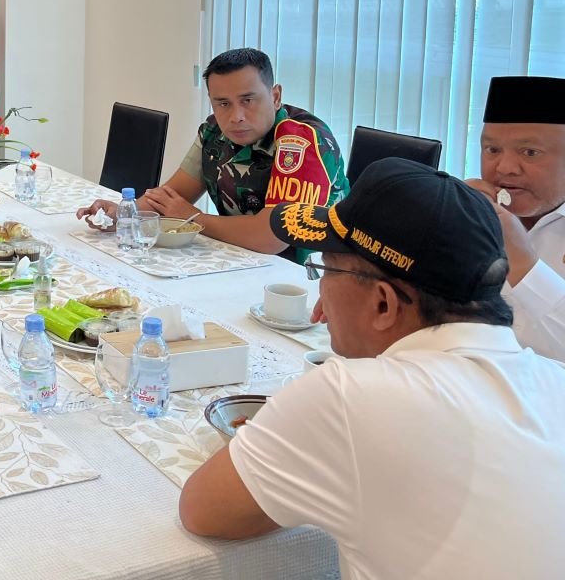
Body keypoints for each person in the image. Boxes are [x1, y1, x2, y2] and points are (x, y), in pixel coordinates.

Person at [179, 158, 565, 576]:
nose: (321, 293)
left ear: (383, 303)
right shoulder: (555, 381)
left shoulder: (351, 398)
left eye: (325, 269)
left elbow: (204, 511)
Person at [77, 47, 347, 256]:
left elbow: (271, 237)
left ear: (275, 96)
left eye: (248, 100)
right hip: (243, 260)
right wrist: (125, 214)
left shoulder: (300, 141)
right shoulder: (213, 131)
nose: (236, 116)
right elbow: (172, 198)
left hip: (306, 279)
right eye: (223, 104)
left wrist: (194, 218)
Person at [464, 75, 565, 360]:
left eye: (530, 153)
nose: (505, 167)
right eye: (492, 150)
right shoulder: (469, 213)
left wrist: (524, 264)